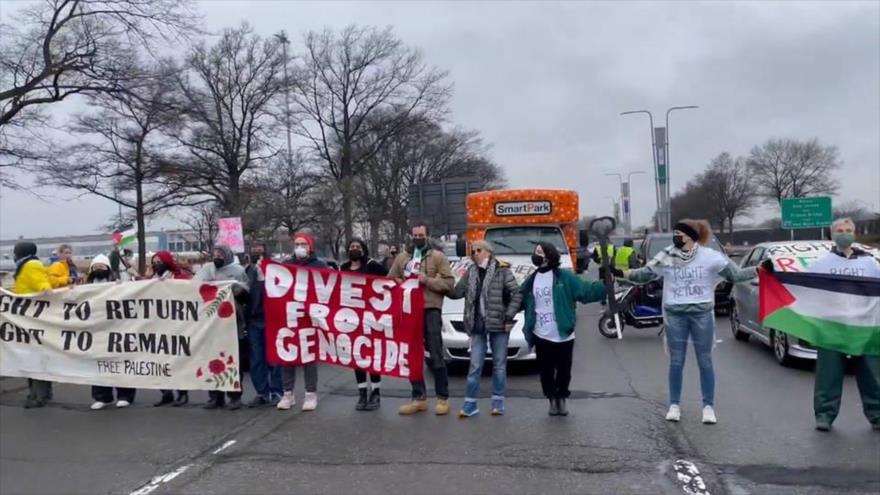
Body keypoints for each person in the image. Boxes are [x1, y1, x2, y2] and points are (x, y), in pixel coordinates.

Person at [619, 219, 757, 424]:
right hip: (675, 314)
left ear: (691, 236)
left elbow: (735, 275)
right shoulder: (667, 255)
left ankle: (708, 407)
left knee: (705, 361)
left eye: (679, 234)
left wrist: (760, 269)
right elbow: (644, 275)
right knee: (676, 361)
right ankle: (674, 405)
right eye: (675, 233)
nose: (676, 237)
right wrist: (621, 273)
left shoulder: (710, 257)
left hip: (701, 313)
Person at [794, 217, 880, 431]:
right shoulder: (821, 264)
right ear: (832, 235)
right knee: (828, 375)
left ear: (855, 233)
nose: (844, 233)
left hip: (863, 327)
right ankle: (824, 415)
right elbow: (805, 292)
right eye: (840, 230)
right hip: (832, 328)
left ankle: (877, 414)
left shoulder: (869, 263)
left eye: (848, 229)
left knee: (872, 374)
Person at [521, 242, 606, 417]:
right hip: (540, 332)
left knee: (564, 371)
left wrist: (604, 286)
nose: (535, 255)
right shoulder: (532, 279)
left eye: (539, 252)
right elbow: (519, 298)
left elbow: (585, 291)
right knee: (545, 370)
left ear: (548, 256)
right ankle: (552, 398)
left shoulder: (565, 277)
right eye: (535, 252)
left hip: (563, 333)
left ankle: (562, 397)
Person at [447, 240, 522, 417]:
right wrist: (442, 283)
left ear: (488, 252)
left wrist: (509, 316)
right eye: (473, 251)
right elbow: (457, 292)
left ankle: (498, 403)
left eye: (478, 250)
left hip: (498, 323)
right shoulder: (471, 272)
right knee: (475, 365)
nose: (475, 254)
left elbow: (516, 294)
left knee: (499, 365)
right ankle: (470, 405)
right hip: (477, 325)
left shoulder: (502, 270)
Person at [389, 224, 455, 416]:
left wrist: (428, 280)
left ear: (427, 236)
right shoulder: (402, 258)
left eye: (421, 235)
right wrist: (398, 283)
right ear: (410, 235)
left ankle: (442, 398)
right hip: (409, 311)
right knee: (412, 356)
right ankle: (418, 398)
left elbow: (449, 283)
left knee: (435, 354)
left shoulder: (438, 257)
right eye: (415, 235)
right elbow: (390, 279)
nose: (417, 238)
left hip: (430, 309)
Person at [195, 246, 250, 410]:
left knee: (232, 360)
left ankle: (234, 396)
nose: (216, 256)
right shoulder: (206, 270)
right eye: (214, 254)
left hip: (232, 321)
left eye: (220, 254)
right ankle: (214, 397)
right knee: (212, 360)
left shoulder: (238, 271)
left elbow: (247, 292)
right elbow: (193, 287)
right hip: (211, 323)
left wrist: (236, 289)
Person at [277, 232, 326, 412]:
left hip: (309, 317)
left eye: (303, 244)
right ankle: (288, 394)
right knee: (287, 355)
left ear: (310, 247)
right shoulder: (286, 265)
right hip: (290, 316)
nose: (299, 247)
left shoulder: (319, 265)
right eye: (297, 244)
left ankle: (310, 394)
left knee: (309, 357)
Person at [340, 238, 389, 411]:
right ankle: (362, 393)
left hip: (371, 317)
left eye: (357, 247)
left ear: (363, 249)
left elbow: (389, 281)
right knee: (357, 355)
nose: (354, 249)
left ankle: (375, 393)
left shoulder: (372, 265)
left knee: (372, 355)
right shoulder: (343, 268)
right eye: (352, 247)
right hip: (351, 318)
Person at [87, 255, 137, 410]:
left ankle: (125, 395)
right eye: (96, 267)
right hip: (97, 330)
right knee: (99, 364)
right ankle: (102, 396)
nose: (99, 270)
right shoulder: (87, 285)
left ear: (108, 268)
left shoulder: (119, 282)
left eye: (102, 267)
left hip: (118, 329)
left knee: (120, 363)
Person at [11, 242, 54, 409]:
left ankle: (39, 394)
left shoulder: (30, 265)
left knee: (34, 357)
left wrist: (46, 289)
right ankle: (40, 392)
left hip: (33, 318)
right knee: (34, 356)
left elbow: (42, 284)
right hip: (27, 317)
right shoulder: (27, 265)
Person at [151, 251, 195, 407]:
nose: (156, 264)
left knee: (177, 361)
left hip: (176, 326)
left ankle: (182, 393)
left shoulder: (180, 278)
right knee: (159, 361)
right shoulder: (152, 281)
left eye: (159, 261)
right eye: (154, 262)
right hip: (157, 326)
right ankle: (166, 392)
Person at [245, 243, 283, 408]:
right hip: (254, 320)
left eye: (260, 250)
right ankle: (262, 392)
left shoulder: (277, 269)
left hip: (272, 319)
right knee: (256, 359)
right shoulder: (247, 271)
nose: (257, 253)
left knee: (273, 358)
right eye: (254, 251)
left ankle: (277, 392)